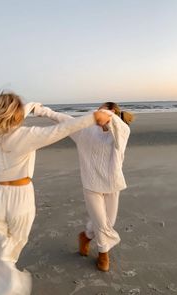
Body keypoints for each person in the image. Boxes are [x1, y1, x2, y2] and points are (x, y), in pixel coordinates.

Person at [0, 92, 111, 294]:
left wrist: (32, 105)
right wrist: (93, 118)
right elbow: (60, 130)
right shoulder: (25, 136)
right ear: (14, 114)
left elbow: (13, 119)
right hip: (19, 199)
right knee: (10, 255)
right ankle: (6, 289)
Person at [34, 102, 134, 272]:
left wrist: (106, 115)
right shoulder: (84, 131)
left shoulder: (121, 132)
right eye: (98, 110)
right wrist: (42, 110)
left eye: (104, 111)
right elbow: (62, 118)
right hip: (91, 184)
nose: (97, 114)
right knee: (101, 222)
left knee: (109, 222)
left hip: (113, 183)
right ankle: (104, 254)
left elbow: (118, 126)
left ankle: (86, 236)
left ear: (114, 116)